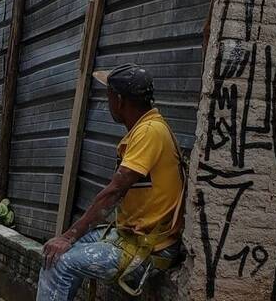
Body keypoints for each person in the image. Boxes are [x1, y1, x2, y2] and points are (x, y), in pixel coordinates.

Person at [37, 64, 185, 301]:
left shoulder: (149, 132)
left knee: (59, 263)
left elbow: (114, 191)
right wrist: (69, 238)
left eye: (108, 96)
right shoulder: (145, 128)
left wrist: (67, 237)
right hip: (130, 235)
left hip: (150, 245)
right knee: (53, 254)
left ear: (119, 100)